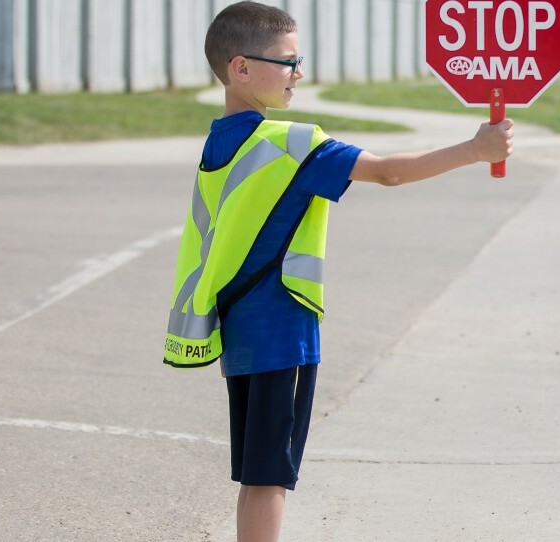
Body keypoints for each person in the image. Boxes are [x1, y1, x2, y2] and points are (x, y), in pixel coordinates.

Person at [161, 2, 513, 541]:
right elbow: (389, 174)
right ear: (241, 68)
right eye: (287, 61)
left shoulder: (219, 142)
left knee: (257, 476)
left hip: (241, 331)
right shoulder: (289, 144)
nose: (299, 73)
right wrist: (474, 148)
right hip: (283, 334)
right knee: (270, 477)